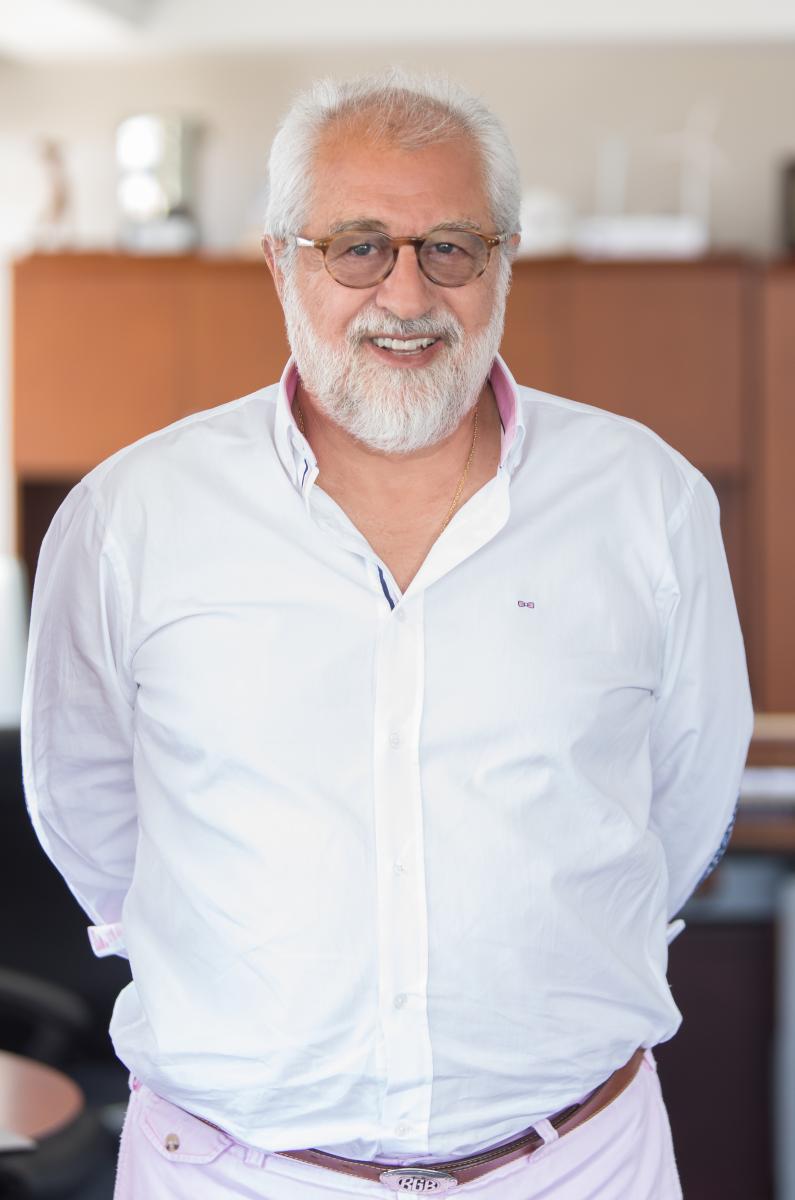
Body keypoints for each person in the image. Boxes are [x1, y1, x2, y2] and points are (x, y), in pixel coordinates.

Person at [22, 71, 753, 1199]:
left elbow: (685, 798)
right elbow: (91, 820)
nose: (405, 292)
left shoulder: (644, 502)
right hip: (238, 1174)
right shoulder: (133, 520)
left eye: (450, 247)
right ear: (281, 260)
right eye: (356, 246)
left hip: (574, 1168)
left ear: (501, 261)